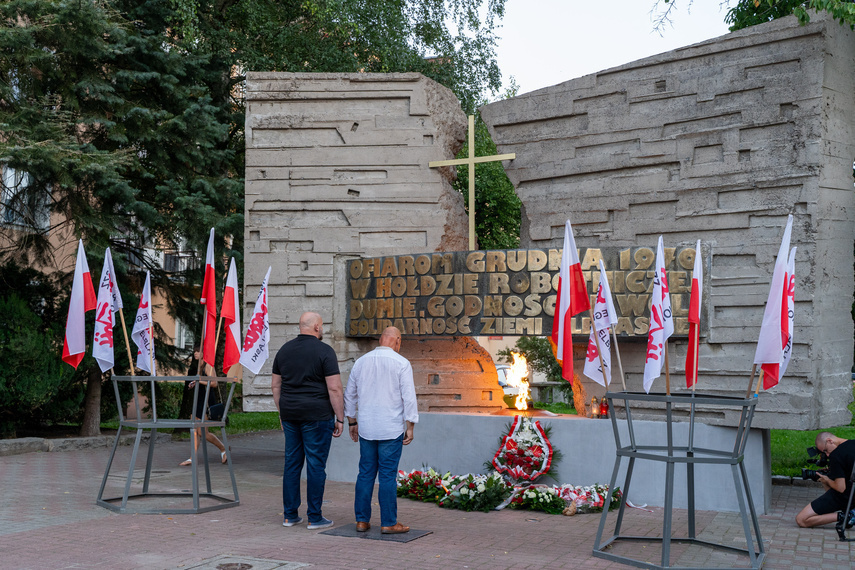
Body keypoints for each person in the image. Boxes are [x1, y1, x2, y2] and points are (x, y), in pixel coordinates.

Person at [271, 312, 344, 530]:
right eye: (321, 326)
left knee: (292, 464)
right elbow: (334, 388)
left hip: (291, 414)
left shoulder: (284, 350)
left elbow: (276, 385)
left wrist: (282, 411)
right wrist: (340, 417)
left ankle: (290, 515)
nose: (322, 330)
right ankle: (314, 516)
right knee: (315, 465)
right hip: (317, 416)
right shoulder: (325, 351)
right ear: (316, 328)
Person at [344, 326, 418, 534]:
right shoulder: (402, 363)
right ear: (397, 341)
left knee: (365, 473)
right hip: (391, 428)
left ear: (380, 340)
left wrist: (352, 422)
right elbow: (409, 398)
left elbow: (350, 395)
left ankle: (361, 520)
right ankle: (388, 522)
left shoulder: (361, 362)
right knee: (387, 476)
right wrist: (410, 426)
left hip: (367, 427)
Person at [796, 432, 855, 528]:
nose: (827, 455)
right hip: (852, 493)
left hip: (847, 497)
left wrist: (826, 479)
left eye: (826, 450)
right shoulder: (853, 443)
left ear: (830, 441)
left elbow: (840, 488)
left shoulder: (836, 455)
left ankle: (847, 516)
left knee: (801, 520)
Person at [180, 347, 227, 466]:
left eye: (198, 351)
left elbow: (214, 383)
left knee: (202, 433)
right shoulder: (199, 367)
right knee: (195, 431)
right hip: (198, 400)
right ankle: (192, 457)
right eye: (194, 351)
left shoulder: (208, 365)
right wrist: (194, 383)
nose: (195, 353)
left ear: (203, 353)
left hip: (205, 402)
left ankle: (223, 449)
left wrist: (199, 381)